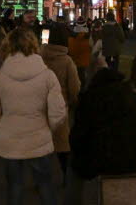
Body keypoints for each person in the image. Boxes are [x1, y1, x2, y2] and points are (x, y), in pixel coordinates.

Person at [0, 26, 66, 205]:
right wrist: (47, 127)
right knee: (45, 186)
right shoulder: (47, 75)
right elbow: (58, 111)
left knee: (15, 187)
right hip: (38, 136)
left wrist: (4, 125)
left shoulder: (0, 75)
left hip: (11, 138)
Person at [67, 67, 136, 203]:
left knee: (73, 168)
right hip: (132, 160)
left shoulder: (89, 98)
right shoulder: (133, 97)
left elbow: (78, 135)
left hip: (101, 161)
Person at [40, 26, 81, 182]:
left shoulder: (40, 57)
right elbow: (74, 87)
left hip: (40, 105)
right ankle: (66, 177)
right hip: (61, 106)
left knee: (42, 146)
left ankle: (42, 179)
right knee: (62, 146)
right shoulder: (66, 61)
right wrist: (71, 101)